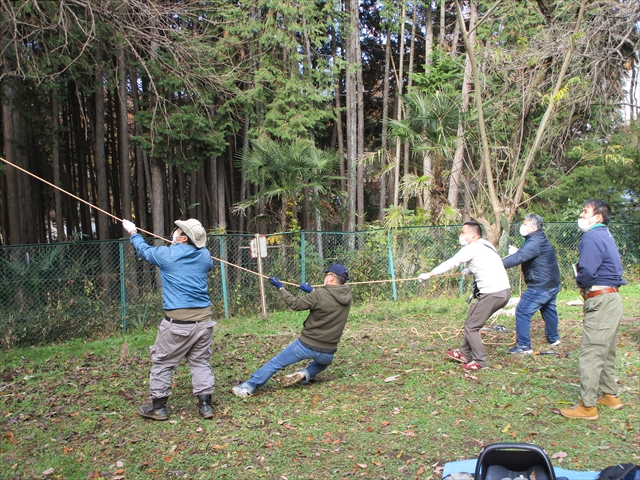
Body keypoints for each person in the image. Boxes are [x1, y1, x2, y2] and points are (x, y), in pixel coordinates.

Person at [122, 218, 216, 421]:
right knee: (200, 361)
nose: (174, 232)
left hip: (177, 324)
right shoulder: (204, 255)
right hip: (204, 322)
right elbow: (207, 263)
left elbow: (144, 251)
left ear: (183, 237)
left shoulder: (167, 255)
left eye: (177, 230)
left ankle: (158, 407)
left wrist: (133, 232)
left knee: (162, 362)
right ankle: (205, 406)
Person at [231, 264, 352, 397]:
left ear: (332, 277)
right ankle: (305, 374)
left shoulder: (319, 294)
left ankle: (247, 387)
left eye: (327, 274)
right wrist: (312, 292)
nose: (325, 277)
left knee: (276, 363)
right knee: (322, 364)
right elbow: (327, 301)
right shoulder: (347, 296)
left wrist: (280, 287)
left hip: (307, 345)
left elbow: (296, 304)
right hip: (328, 352)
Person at [560, 200, 626, 420]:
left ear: (598, 217)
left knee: (591, 352)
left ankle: (587, 406)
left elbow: (587, 270)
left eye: (585, 211)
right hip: (612, 298)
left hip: (600, 299)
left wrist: (581, 283)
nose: (581, 215)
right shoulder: (606, 235)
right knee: (606, 350)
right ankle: (610, 395)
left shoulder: (591, 236)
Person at [418, 222, 511, 371]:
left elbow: (451, 263)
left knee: (471, 326)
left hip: (493, 293)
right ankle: (463, 353)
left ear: (473, 234)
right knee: (472, 315)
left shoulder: (472, 247)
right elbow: (488, 263)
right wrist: (471, 269)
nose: (461, 235)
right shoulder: (487, 245)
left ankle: (481, 361)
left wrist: (430, 274)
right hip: (502, 291)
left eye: (463, 232)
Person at [502, 214, 561, 354]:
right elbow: (526, 254)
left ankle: (524, 346)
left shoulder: (534, 242)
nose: (523, 226)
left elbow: (519, 257)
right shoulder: (538, 239)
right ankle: (554, 338)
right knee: (548, 309)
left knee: (522, 311)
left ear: (534, 227)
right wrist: (518, 252)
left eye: (526, 224)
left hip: (540, 285)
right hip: (552, 283)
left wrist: (497, 264)